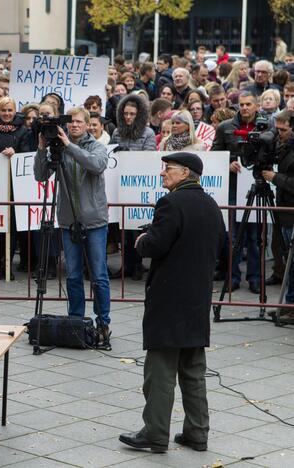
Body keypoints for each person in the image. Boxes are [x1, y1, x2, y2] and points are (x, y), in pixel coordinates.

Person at [119, 152, 225, 454]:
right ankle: (197, 432)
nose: (163, 173)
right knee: (193, 368)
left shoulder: (171, 203)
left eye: (168, 169)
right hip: (197, 297)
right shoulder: (210, 204)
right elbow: (219, 246)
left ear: (185, 173)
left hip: (170, 298)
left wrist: (141, 241)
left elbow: (155, 244)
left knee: (160, 369)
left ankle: (154, 433)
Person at [34, 107, 111, 346]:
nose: (75, 125)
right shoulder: (59, 147)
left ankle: (103, 322)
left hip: (94, 220)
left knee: (98, 275)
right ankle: (76, 321)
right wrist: (41, 149)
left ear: (88, 125)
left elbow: (96, 165)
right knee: (73, 275)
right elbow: (40, 175)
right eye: (72, 122)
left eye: (79, 122)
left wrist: (69, 146)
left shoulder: (96, 146)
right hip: (68, 221)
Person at [212, 91, 269, 293]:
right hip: (233, 186)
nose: (244, 107)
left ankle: (255, 277)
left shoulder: (267, 126)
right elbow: (214, 155)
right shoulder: (226, 127)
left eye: (248, 104)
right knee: (233, 236)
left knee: (255, 237)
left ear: (256, 106)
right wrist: (228, 164)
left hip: (258, 184)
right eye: (241, 104)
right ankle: (233, 276)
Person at [0, 96, 31, 279]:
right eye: (4, 110)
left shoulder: (24, 130)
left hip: (14, 184)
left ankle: (7, 263)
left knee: (12, 227)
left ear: (14, 111)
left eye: (10, 110)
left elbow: (26, 154)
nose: (7, 114)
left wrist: (15, 154)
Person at [110, 93, 157, 281]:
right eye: (126, 113)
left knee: (136, 228)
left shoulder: (148, 133)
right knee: (123, 229)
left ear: (139, 114)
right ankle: (126, 264)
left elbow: (149, 157)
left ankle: (138, 264)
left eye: (132, 114)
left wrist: (128, 154)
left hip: (138, 184)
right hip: (120, 184)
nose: (128, 117)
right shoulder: (117, 132)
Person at [262, 111, 294, 306]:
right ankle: (289, 303)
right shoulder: (282, 146)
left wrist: (275, 178)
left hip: (291, 211)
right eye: (277, 129)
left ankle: (290, 304)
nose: (279, 133)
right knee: (288, 259)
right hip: (284, 210)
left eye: (283, 129)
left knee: (293, 262)